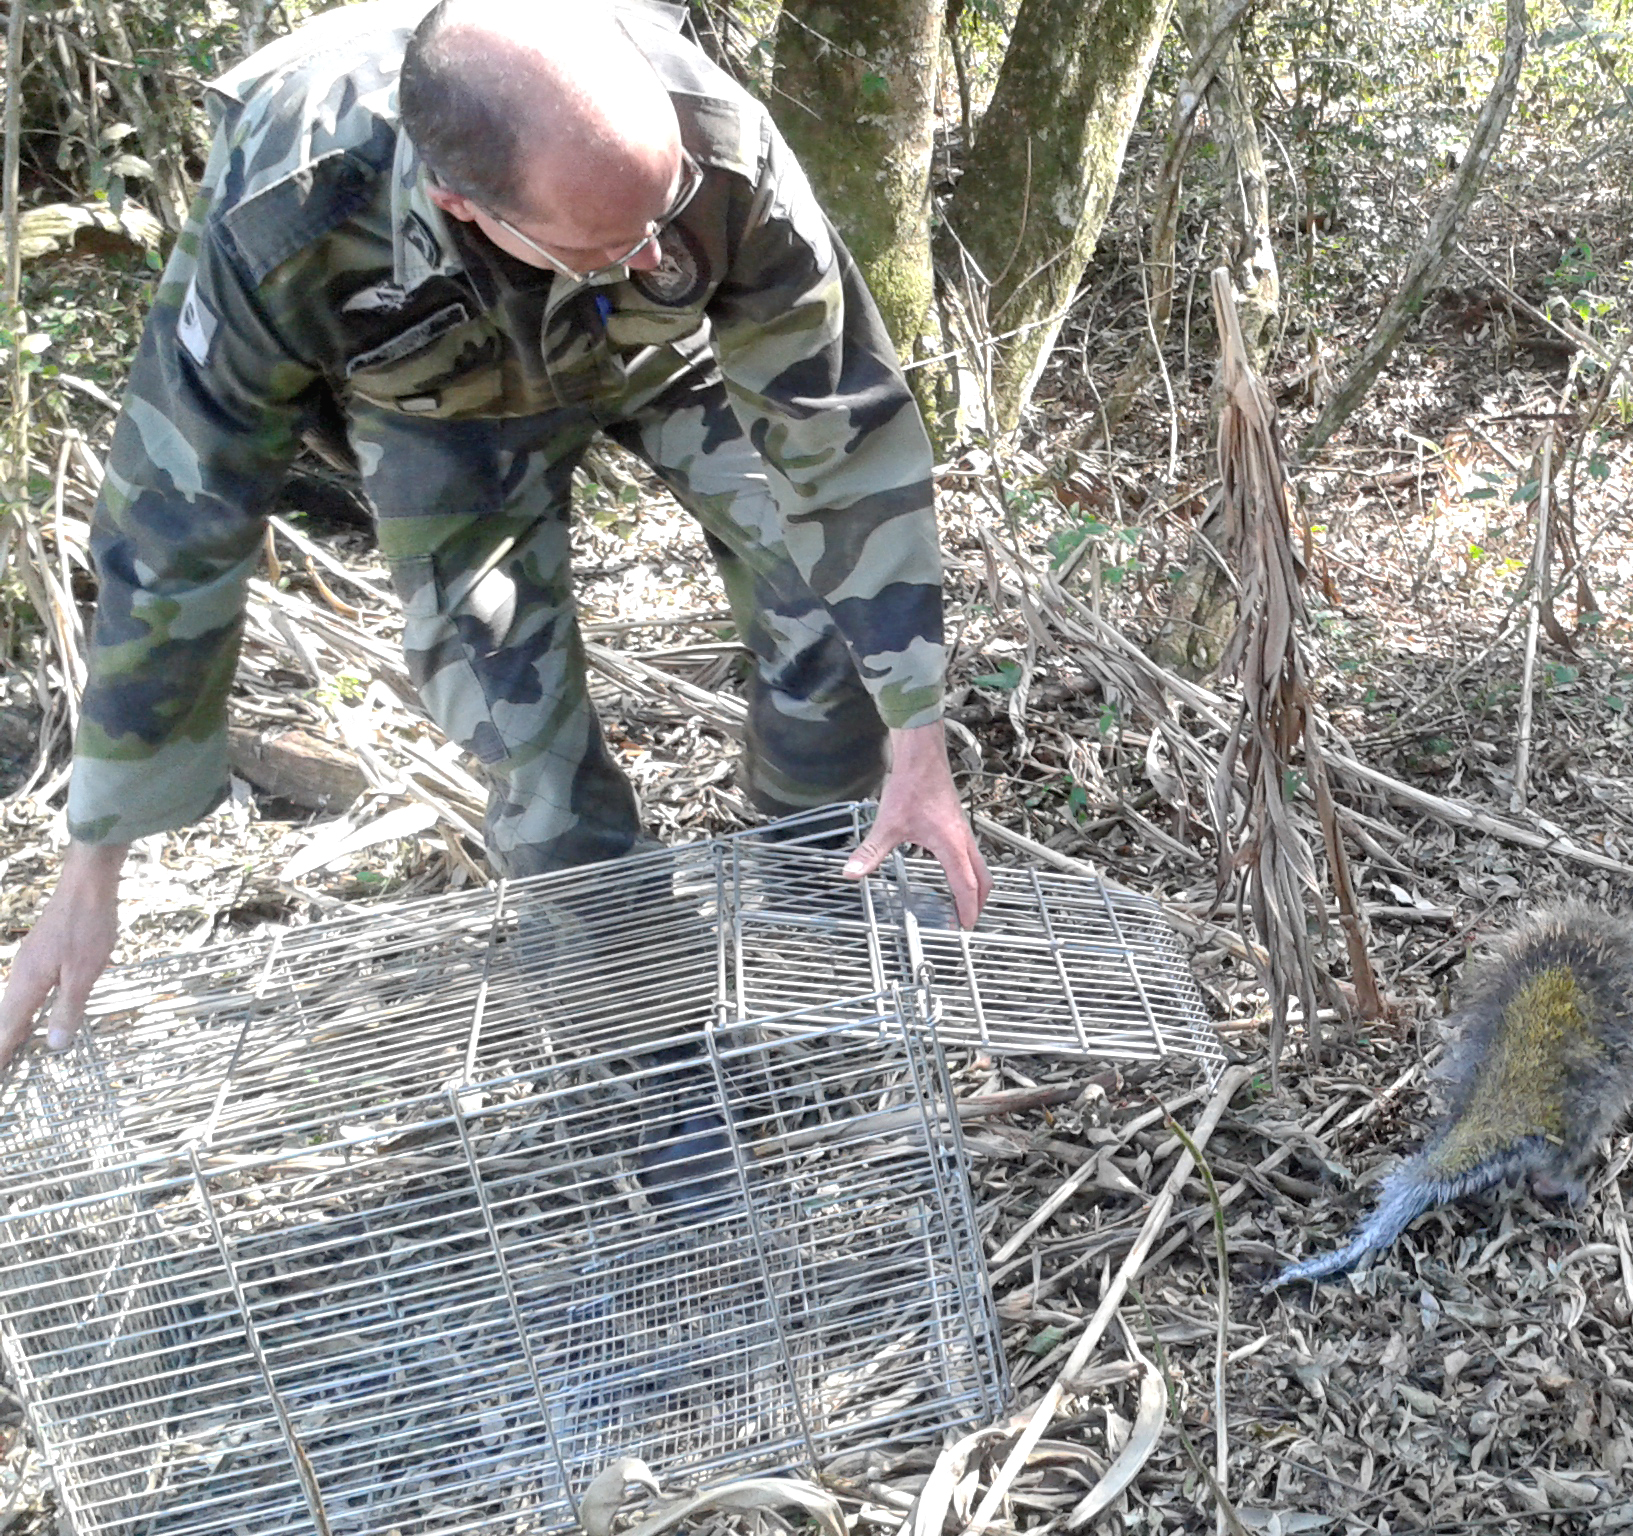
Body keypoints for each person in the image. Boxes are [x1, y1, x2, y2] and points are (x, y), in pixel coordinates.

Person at [0, 0, 989, 1065]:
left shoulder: (711, 138)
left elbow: (841, 432)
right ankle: (644, 1037)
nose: (656, 250)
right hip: (437, 406)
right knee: (527, 742)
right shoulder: (287, 208)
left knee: (833, 603)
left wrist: (917, 732)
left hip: (660, 351)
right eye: (615, 238)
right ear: (458, 204)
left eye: (664, 216)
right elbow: (175, 525)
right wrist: (95, 858)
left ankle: (817, 893)